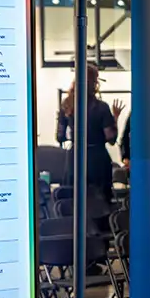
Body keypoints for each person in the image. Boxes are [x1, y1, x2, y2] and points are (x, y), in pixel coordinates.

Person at [56, 63, 120, 200]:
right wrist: (115, 119)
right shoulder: (102, 107)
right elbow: (111, 138)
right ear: (95, 83)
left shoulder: (67, 105)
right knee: (100, 202)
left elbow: (60, 136)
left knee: (73, 200)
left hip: (75, 158)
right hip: (97, 159)